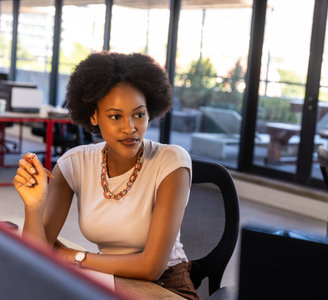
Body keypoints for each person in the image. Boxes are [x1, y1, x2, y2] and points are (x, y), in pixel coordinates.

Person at [14, 51, 199, 300]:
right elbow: (37, 258)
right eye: (115, 116)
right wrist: (33, 207)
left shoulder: (171, 162)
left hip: (166, 286)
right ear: (94, 116)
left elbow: (151, 267)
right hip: (108, 279)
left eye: (139, 114)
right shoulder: (74, 163)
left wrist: (73, 256)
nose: (130, 128)